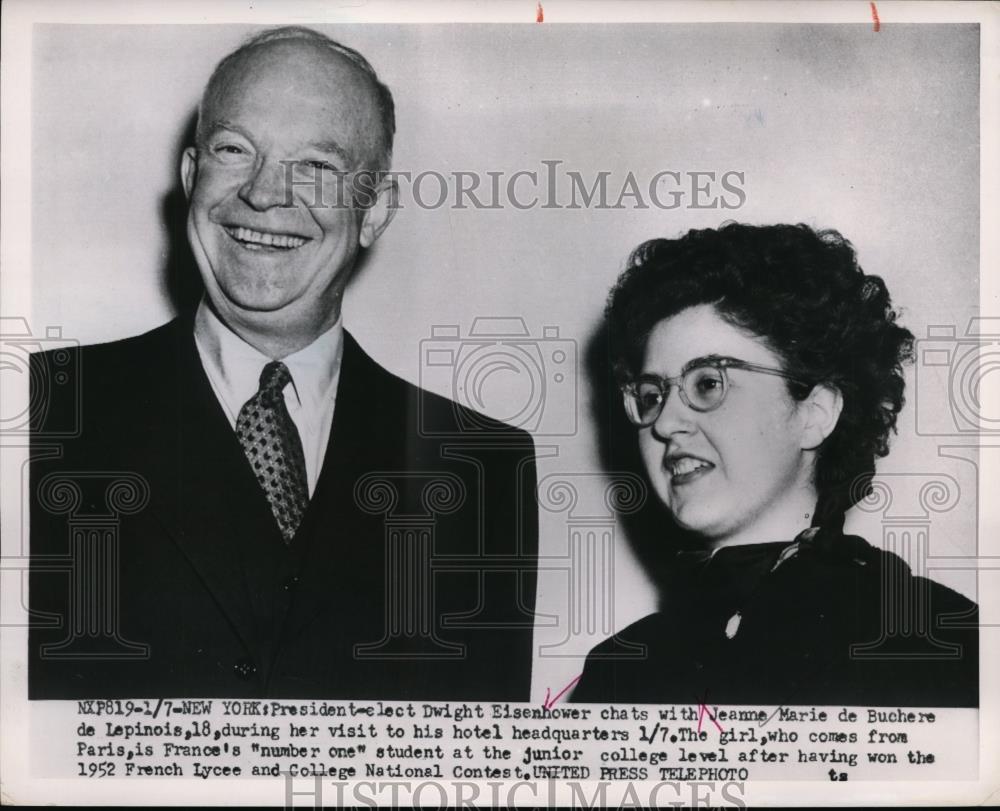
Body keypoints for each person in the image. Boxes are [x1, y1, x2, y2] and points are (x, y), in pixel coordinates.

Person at [29, 27, 537, 700]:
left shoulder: (482, 471)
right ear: (190, 176)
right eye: (235, 150)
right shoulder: (42, 413)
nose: (265, 194)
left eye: (317, 167)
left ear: (375, 210)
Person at [571, 223, 977, 707]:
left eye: (707, 383)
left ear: (814, 413)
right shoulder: (619, 668)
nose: (664, 423)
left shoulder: (934, 641)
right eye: (651, 395)